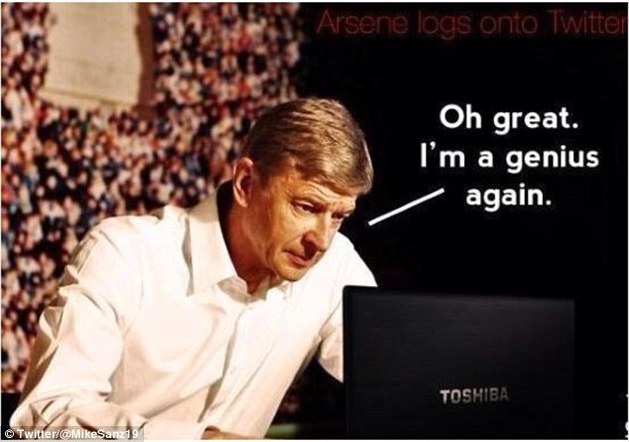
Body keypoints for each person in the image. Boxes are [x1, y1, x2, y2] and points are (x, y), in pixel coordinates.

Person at [11, 98, 376, 439]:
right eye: (306, 207)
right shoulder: (124, 254)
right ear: (246, 184)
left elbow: (396, 378)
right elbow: (44, 419)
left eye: (339, 217)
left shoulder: (335, 266)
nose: (322, 240)